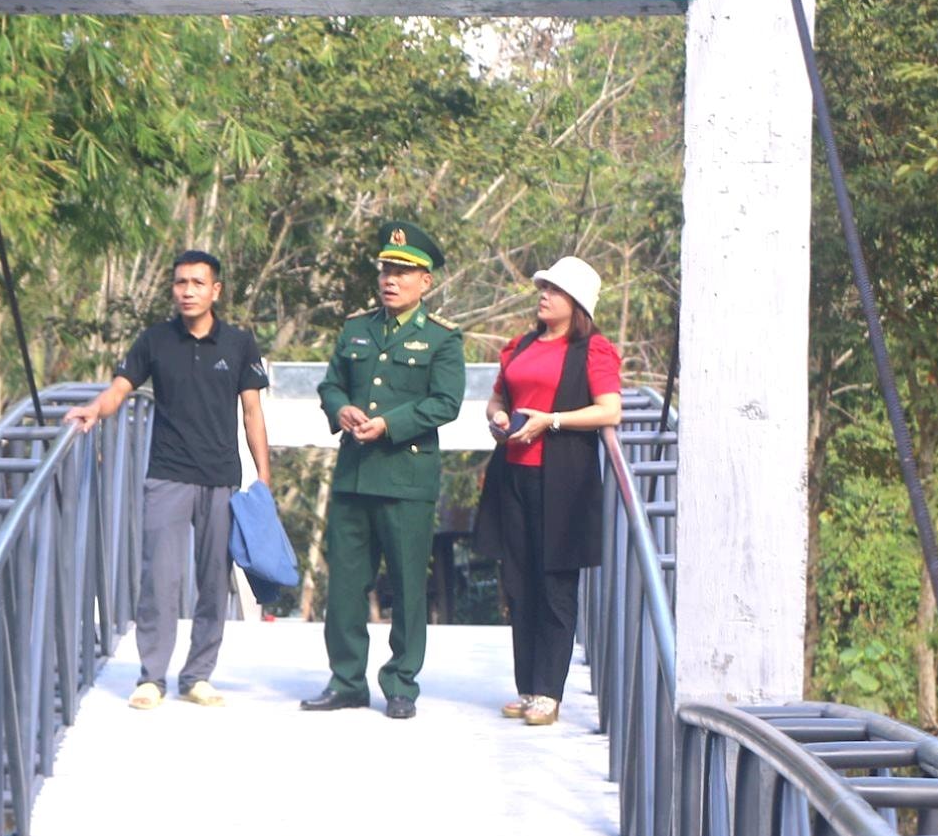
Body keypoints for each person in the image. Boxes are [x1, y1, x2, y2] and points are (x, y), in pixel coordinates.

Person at [65, 250, 272, 709]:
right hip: (167, 475)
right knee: (159, 578)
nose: (188, 291)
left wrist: (264, 478)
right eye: (180, 283)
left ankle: (197, 674)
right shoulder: (155, 340)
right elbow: (121, 388)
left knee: (214, 581)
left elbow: (253, 412)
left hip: (220, 478)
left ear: (215, 290)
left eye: (198, 283)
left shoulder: (239, 344)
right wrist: (95, 410)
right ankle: (152, 677)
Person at [303, 222, 465, 720]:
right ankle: (347, 679)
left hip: (405, 477)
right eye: (386, 270)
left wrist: (388, 424)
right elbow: (331, 384)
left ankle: (401, 684)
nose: (390, 280)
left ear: (426, 282)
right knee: (347, 585)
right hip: (355, 475)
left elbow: (446, 402)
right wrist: (342, 410)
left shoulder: (441, 339)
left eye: (402, 272)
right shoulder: (357, 329)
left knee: (407, 585)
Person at [472, 255, 623, 727]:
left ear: (576, 304)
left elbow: (609, 411)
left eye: (554, 290)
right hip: (513, 473)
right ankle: (526, 686)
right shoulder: (520, 345)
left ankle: (549, 692)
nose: (544, 295)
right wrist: (498, 415)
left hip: (562, 480)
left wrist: (551, 421)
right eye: (543, 288)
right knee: (518, 583)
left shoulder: (592, 350)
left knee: (555, 583)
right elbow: (499, 396)